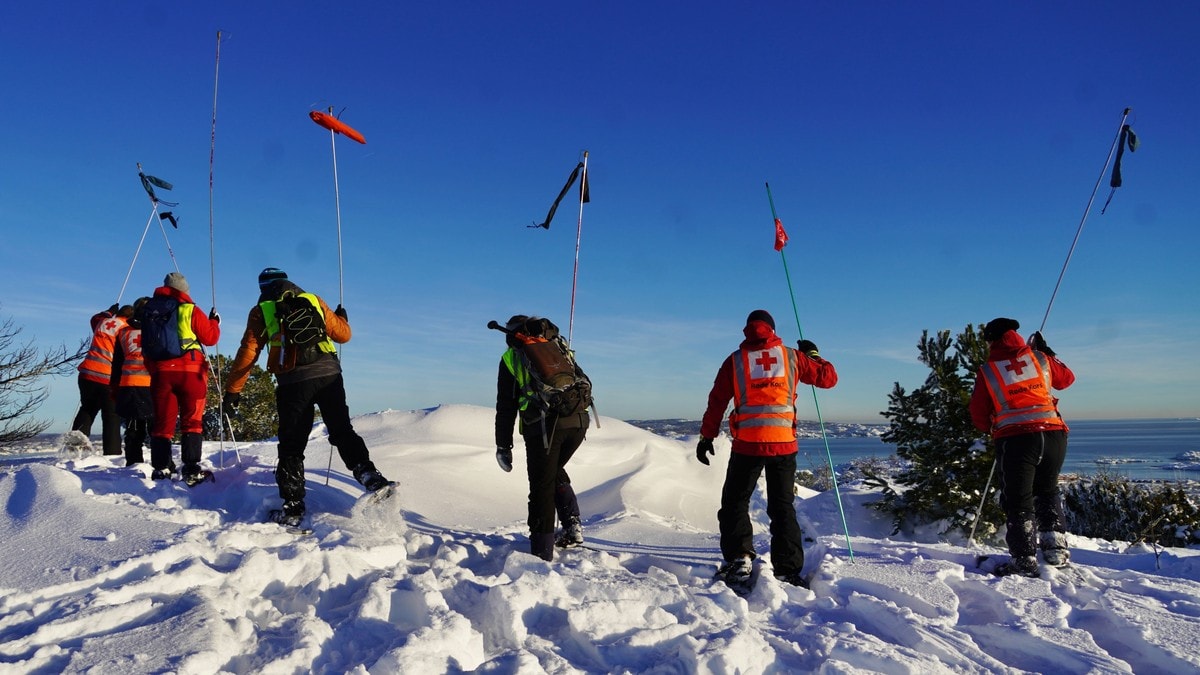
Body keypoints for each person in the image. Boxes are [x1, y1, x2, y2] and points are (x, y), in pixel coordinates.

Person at [223, 267, 391, 527]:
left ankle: (292, 507)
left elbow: (248, 352)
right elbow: (344, 335)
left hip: (292, 382)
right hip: (329, 375)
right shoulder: (313, 299)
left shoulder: (261, 311)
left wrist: (233, 391)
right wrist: (341, 319)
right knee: (341, 430)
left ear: (262, 288)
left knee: (292, 444)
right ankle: (370, 476)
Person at [697, 309, 838, 590]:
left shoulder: (735, 360)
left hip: (747, 444)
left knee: (735, 502)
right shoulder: (792, 357)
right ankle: (788, 570)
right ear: (772, 329)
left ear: (748, 328)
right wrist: (813, 355)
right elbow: (828, 379)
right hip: (783, 443)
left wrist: (707, 436)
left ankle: (739, 559)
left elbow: (717, 401)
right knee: (782, 506)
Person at [969, 317, 1076, 577]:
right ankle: (1056, 550)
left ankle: (1024, 560)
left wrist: (993, 425)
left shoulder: (989, 371)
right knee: (1047, 490)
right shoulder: (1040, 358)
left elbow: (978, 415)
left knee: (1018, 500)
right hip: (1053, 434)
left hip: (1017, 439)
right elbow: (1066, 379)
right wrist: (1048, 352)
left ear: (991, 341)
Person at [494, 315, 591, 561]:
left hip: (545, 428)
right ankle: (572, 527)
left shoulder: (512, 358)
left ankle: (541, 550)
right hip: (579, 420)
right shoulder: (557, 346)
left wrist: (503, 446)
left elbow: (506, 407)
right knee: (552, 471)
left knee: (541, 487)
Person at [145, 272, 221, 484]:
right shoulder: (189, 309)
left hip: (161, 373)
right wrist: (214, 322)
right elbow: (210, 338)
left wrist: (155, 371)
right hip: (191, 373)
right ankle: (191, 469)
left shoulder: (150, 311)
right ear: (184, 290)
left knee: (162, 423)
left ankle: (161, 469)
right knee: (192, 421)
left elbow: (147, 347)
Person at [72, 303, 130, 456]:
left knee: (87, 409)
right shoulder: (125, 329)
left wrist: (109, 311)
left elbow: (95, 318)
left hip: (87, 373)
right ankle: (112, 453)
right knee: (111, 416)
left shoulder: (102, 322)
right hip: (107, 377)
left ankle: (74, 448)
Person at [110, 297, 153, 466]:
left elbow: (117, 363)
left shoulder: (123, 332)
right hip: (152, 385)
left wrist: (114, 388)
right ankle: (163, 464)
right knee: (157, 429)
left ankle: (133, 464)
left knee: (133, 429)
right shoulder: (156, 330)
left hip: (129, 385)